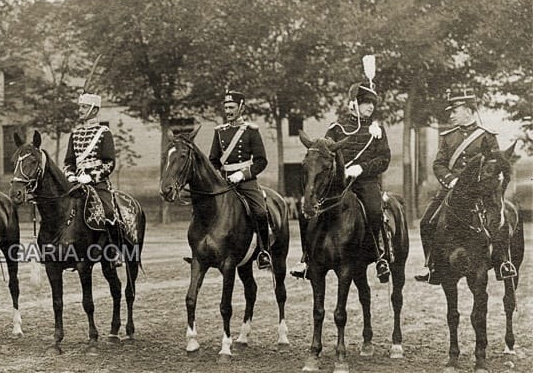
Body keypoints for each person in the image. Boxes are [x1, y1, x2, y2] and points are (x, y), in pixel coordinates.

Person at [292, 82, 391, 282]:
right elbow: (325, 152)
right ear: (354, 104)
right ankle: (306, 257)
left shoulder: (377, 130)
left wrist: (362, 168)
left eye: (372, 103)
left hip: (365, 182)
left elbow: (384, 159)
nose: (370, 107)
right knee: (309, 211)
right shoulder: (336, 128)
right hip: (338, 183)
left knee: (374, 209)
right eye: (365, 103)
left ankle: (381, 255)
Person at [415, 88, 510, 283]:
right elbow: (438, 164)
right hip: (452, 188)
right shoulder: (448, 137)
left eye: (455, 110)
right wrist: (451, 180)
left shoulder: (488, 136)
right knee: (426, 222)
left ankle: (502, 263)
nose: (451, 115)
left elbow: (497, 163)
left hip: (480, 191)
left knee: (500, 219)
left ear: (468, 110)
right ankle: (432, 265)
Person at [209, 90, 271, 269]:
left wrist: (243, 174)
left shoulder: (251, 131)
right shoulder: (219, 132)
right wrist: (219, 175)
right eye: (226, 107)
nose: (227, 111)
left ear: (241, 108)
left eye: (231, 107)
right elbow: (213, 159)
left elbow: (261, 161)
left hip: (245, 181)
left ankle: (263, 252)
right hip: (224, 182)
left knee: (260, 212)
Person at [64, 92, 118, 226]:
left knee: (109, 213)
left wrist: (90, 177)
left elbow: (109, 163)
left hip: (97, 184)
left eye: (84, 107)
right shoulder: (75, 133)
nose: (80, 110)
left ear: (94, 110)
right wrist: (70, 175)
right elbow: (69, 161)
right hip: (75, 183)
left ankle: (112, 245)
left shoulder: (104, 132)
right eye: (80, 107)